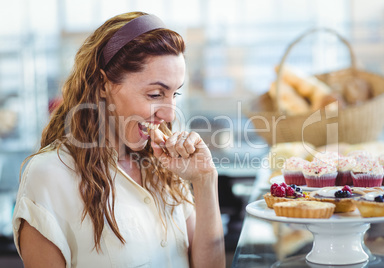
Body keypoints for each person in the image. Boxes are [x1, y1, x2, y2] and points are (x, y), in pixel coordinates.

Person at [12, 11, 225, 268]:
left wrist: (204, 180)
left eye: (174, 93)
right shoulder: (50, 175)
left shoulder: (164, 168)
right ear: (103, 85)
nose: (170, 113)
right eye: (156, 94)